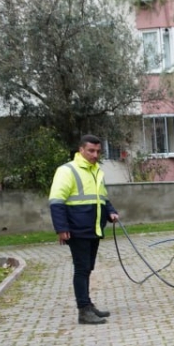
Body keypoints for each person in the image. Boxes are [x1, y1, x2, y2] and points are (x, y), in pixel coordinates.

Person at [49, 134, 120, 325]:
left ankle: (88, 305)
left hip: (94, 228)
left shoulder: (96, 171)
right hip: (76, 228)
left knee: (87, 269)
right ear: (81, 150)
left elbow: (102, 197)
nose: (95, 155)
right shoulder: (67, 171)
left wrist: (110, 212)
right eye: (91, 150)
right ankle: (83, 311)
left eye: (98, 151)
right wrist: (61, 228)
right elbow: (56, 201)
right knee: (81, 270)